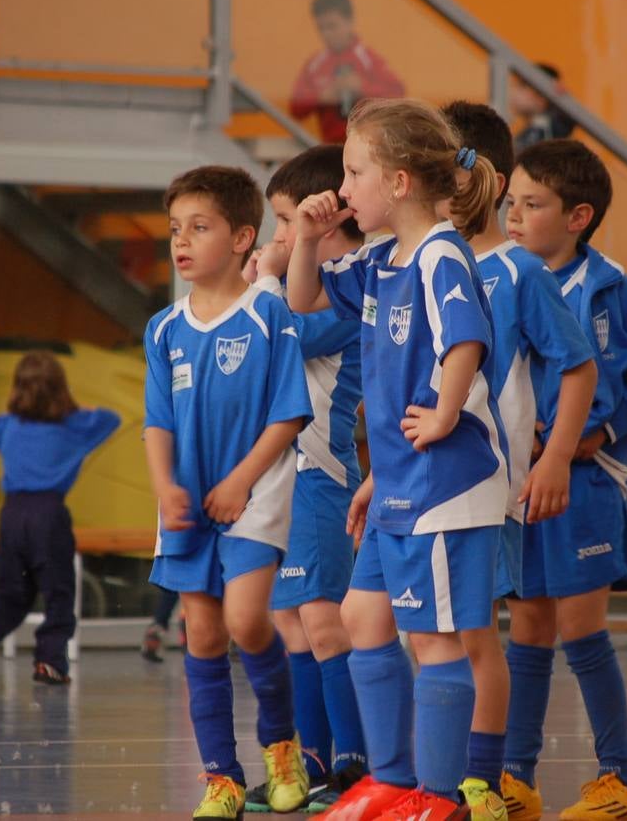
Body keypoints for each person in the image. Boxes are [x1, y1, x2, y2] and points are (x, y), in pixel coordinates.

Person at [287, 97, 509, 820]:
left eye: (354, 172)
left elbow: (464, 339)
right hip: (398, 486)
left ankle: (437, 798)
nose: (344, 188)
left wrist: (445, 410)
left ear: (401, 182)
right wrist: (306, 236)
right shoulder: (382, 257)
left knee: (434, 639)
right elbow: (304, 298)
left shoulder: (441, 252)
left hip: (445, 483)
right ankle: (390, 778)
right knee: (361, 618)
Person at [498, 138, 627, 821]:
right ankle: (515, 779)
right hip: (517, 481)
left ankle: (618, 781)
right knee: (525, 627)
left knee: (580, 629)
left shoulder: (608, 286)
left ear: (577, 216)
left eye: (532, 204)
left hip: (585, 481)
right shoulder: (500, 277)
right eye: (509, 202)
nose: (513, 216)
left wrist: (606, 430)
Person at [443, 100, 599, 820]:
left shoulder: (516, 273)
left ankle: (485, 781)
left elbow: (578, 366)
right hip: (414, 487)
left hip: (484, 488)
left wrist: (557, 457)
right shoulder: (417, 263)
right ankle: (428, 777)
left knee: (474, 631)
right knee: (410, 632)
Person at [144, 166, 313, 819]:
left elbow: (289, 413)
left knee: (246, 621)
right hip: (187, 500)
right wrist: (164, 487)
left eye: (199, 227)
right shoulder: (163, 328)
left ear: (244, 237)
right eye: (173, 230)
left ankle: (280, 745)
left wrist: (241, 480)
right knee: (202, 633)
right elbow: (155, 422)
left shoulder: (269, 312)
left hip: (256, 491)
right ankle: (222, 778)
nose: (181, 241)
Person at [236, 144, 370, 813]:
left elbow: (276, 333)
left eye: (286, 221)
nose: (275, 238)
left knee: (323, 621)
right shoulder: (313, 283)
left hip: (320, 475)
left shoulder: (350, 293)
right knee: (290, 622)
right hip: (282, 480)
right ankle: (314, 759)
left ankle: (354, 759)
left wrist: (263, 276)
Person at [0, 351, 119, 684]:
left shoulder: (6, 426)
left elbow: (1, 433)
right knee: (58, 590)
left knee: (12, 589)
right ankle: (50, 660)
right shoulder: (76, 426)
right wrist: (79, 410)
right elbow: (111, 419)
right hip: (49, 513)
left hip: (12, 513)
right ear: (61, 389)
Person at [289, 0, 405, 144]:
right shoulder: (315, 64)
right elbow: (295, 108)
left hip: (368, 145)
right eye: (321, 28)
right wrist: (321, 97)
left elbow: (397, 93)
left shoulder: (367, 59)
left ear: (350, 22)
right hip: (330, 146)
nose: (327, 33)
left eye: (332, 26)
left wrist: (361, 88)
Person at [510, 64, 575, 152]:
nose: (514, 91)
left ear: (539, 93)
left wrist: (560, 95)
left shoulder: (551, 125)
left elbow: (568, 118)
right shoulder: (527, 133)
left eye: (522, 85)